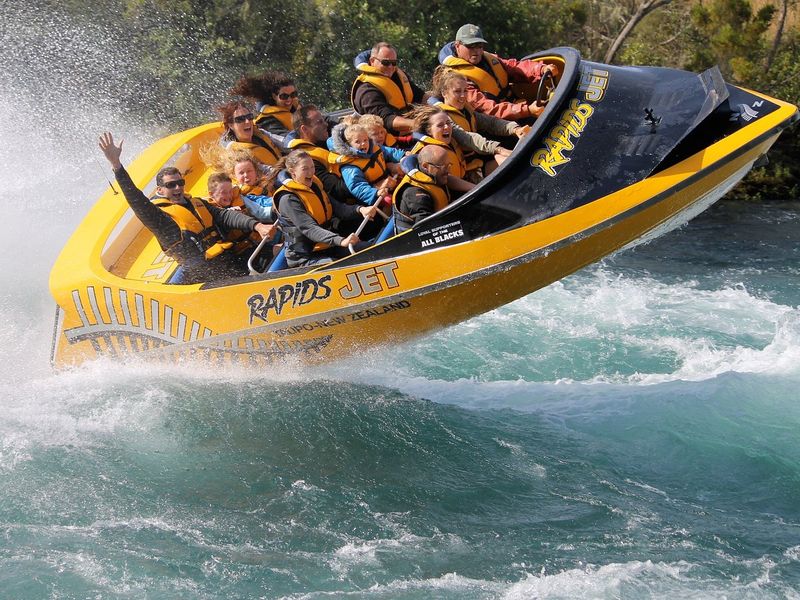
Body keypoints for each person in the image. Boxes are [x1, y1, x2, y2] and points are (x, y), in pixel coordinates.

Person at [98, 132, 275, 283]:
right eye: (171, 185)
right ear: (160, 190)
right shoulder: (161, 220)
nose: (177, 188)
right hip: (206, 277)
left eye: (180, 183)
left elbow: (227, 216)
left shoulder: (198, 203)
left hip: (229, 258)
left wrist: (258, 226)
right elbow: (135, 199)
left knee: (270, 250)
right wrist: (117, 166)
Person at [271, 150, 379, 267]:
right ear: (293, 172)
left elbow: (338, 208)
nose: (311, 172)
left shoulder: (314, 186)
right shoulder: (287, 199)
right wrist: (340, 240)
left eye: (312, 167)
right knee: (337, 266)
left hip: (327, 246)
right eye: (305, 169)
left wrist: (360, 209)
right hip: (305, 256)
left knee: (369, 249)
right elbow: (309, 228)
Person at [438, 24, 558, 121]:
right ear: (457, 45)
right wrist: (526, 110)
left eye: (480, 46)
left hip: (517, 107)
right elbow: (487, 109)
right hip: (497, 125)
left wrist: (540, 69)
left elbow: (514, 66)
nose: (477, 51)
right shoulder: (457, 79)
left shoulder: (488, 58)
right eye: (471, 46)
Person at [430, 66, 525, 180]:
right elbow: (468, 138)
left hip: (478, 162)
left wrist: (515, 129)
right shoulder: (444, 118)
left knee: (514, 160)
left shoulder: (466, 110)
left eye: (465, 91)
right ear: (444, 93)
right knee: (509, 161)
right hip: (466, 173)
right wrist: (498, 149)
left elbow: (491, 123)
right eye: (457, 91)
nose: (463, 96)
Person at [351, 42, 427, 136]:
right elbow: (387, 120)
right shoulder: (366, 90)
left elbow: (420, 95)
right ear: (372, 61)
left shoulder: (397, 75)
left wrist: (439, 104)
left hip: (413, 131)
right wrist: (422, 124)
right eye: (385, 63)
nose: (390, 67)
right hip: (390, 141)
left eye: (394, 63)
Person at [286, 104, 354, 202]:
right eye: (319, 122)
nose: (326, 124)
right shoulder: (307, 160)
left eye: (324, 120)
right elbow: (337, 189)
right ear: (304, 129)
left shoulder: (328, 143)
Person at [327, 121, 405, 208]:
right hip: (374, 196)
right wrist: (375, 193)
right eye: (357, 142)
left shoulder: (374, 147)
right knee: (391, 201)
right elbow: (357, 186)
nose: (363, 143)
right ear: (349, 144)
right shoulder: (350, 165)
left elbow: (389, 152)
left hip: (389, 181)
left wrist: (403, 156)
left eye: (365, 140)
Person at [392, 145, 451, 232]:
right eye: (443, 167)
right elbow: (425, 231)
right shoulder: (415, 194)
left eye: (449, 165)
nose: (448, 171)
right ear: (425, 166)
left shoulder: (434, 177)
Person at [230, 71, 299, 137]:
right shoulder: (266, 119)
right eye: (284, 96)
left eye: (293, 94)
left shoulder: (296, 109)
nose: (289, 99)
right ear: (274, 96)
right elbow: (283, 138)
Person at [218, 101, 282, 167]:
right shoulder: (232, 154)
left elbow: (283, 142)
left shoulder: (261, 134)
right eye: (240, 119)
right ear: (231, 125)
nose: (247, 121)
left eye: (249, 116)